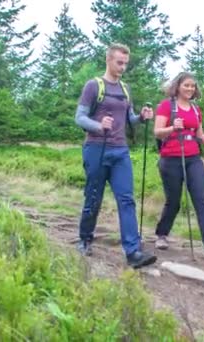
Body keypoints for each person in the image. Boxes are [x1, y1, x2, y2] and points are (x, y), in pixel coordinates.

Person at [74, 43, 157, 269]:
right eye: (119, 62)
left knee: (126, 199)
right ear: (108, 60)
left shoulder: (125, 89)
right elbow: (79, 118)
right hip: (96, 148)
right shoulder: (94, 86)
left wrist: (141, 117)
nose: (122, 67)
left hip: (120, 150)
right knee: (94, 197)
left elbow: (128, 118)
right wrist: (98, 125)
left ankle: (133, 251)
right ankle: (85, 238)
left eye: (125, 64)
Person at [152, 71, 204, 258]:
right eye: (186, 85)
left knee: (201, 199)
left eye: (192, 86)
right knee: (173, 201)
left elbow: (199, 136)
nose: (190, 88)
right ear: (178, 86)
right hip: (171, 158)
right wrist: (173, 127)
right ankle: (162, 234)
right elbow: (157, 132)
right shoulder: (166, 106)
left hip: (193, 158)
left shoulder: (196, 110)